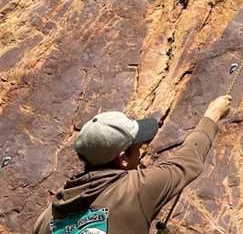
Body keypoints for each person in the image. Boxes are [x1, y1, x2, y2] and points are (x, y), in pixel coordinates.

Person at [33, 95, 232, 234]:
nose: (141, 152)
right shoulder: (136, 189)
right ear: (123, 158)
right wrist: (212, 115)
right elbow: (188, 159)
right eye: (138, 147)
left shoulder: (46, 218)